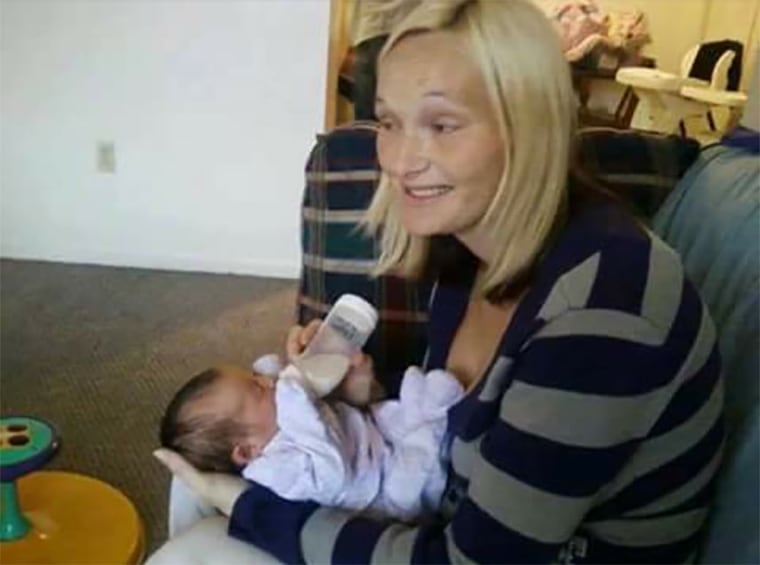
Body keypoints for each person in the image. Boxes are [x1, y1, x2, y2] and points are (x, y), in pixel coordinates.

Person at [155, 0, 724, 562]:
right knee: (200, 472)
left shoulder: (604, 313)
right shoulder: (469, 249)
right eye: (389, 121)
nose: (399, 161)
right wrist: (361, 400)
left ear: (528, 126)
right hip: (451, 513)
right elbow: (451, 430)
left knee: (198, 543)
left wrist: (252, 510)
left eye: (442, 124)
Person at [159, 356, 463, 526]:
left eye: (256, 375)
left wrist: (277, 369)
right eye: (258, 389)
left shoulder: (269, 421)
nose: (270, 383)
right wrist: (293, 397)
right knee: (412, 477)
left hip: (371, 433)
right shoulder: (276, 468)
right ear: (248, 450)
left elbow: (295, 387)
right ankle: (431, 425)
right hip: (379, 492)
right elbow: (333, 474)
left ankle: (421, 415)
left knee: (395, 410)